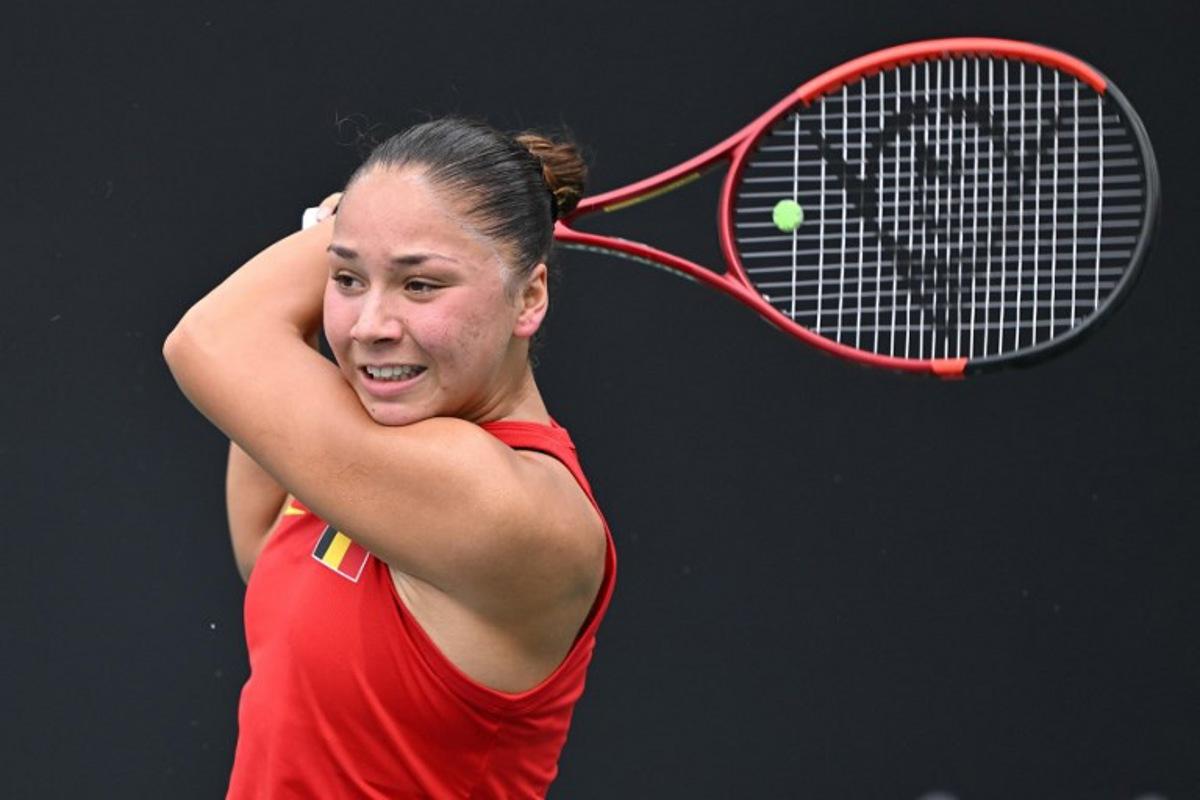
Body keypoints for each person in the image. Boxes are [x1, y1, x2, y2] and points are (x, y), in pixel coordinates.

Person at [163, 117, 616, 798]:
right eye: (348, 281)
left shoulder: (501, 503)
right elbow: (267, 554)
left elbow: (211, 339)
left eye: (421, 285)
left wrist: (334, 232)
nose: (372, 326)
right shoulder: (374, 451)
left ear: (530, 297)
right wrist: (357, 235)